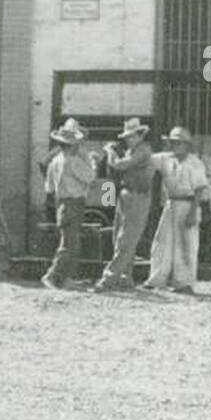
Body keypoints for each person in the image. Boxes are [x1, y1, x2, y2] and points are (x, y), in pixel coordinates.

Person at [143, 126, 209, 294]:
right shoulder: (164, 159)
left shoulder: (195, 163)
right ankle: (157, 279)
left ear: (187, 145)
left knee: (186, 245)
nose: (176, 146)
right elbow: (145, 159)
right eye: (173, 142)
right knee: (162, 241)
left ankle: (184, 283)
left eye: (179, 143)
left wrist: (193, 212)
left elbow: (199, 188)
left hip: (188, 204)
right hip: (171, 203)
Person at [93, 117, 155, 292]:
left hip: (137, 196)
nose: (129, 139)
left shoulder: (142, 150)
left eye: (132, 136)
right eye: (127, 136)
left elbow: (120, 166)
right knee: (120, 238)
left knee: (126, 239)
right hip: (127, 194)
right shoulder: (132, 150)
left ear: (141, 135)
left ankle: (109, 278)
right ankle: (125, 277)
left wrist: (110, 151)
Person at [42, 117, 98, 289]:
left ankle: (65, 278)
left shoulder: (55, 160)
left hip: (62, 203)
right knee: (69, 245)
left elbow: (49, 188)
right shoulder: (73, 161)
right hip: (74, 202)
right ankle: (53, 276)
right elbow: (90, 178)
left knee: (70, 243)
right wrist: (94, 162)